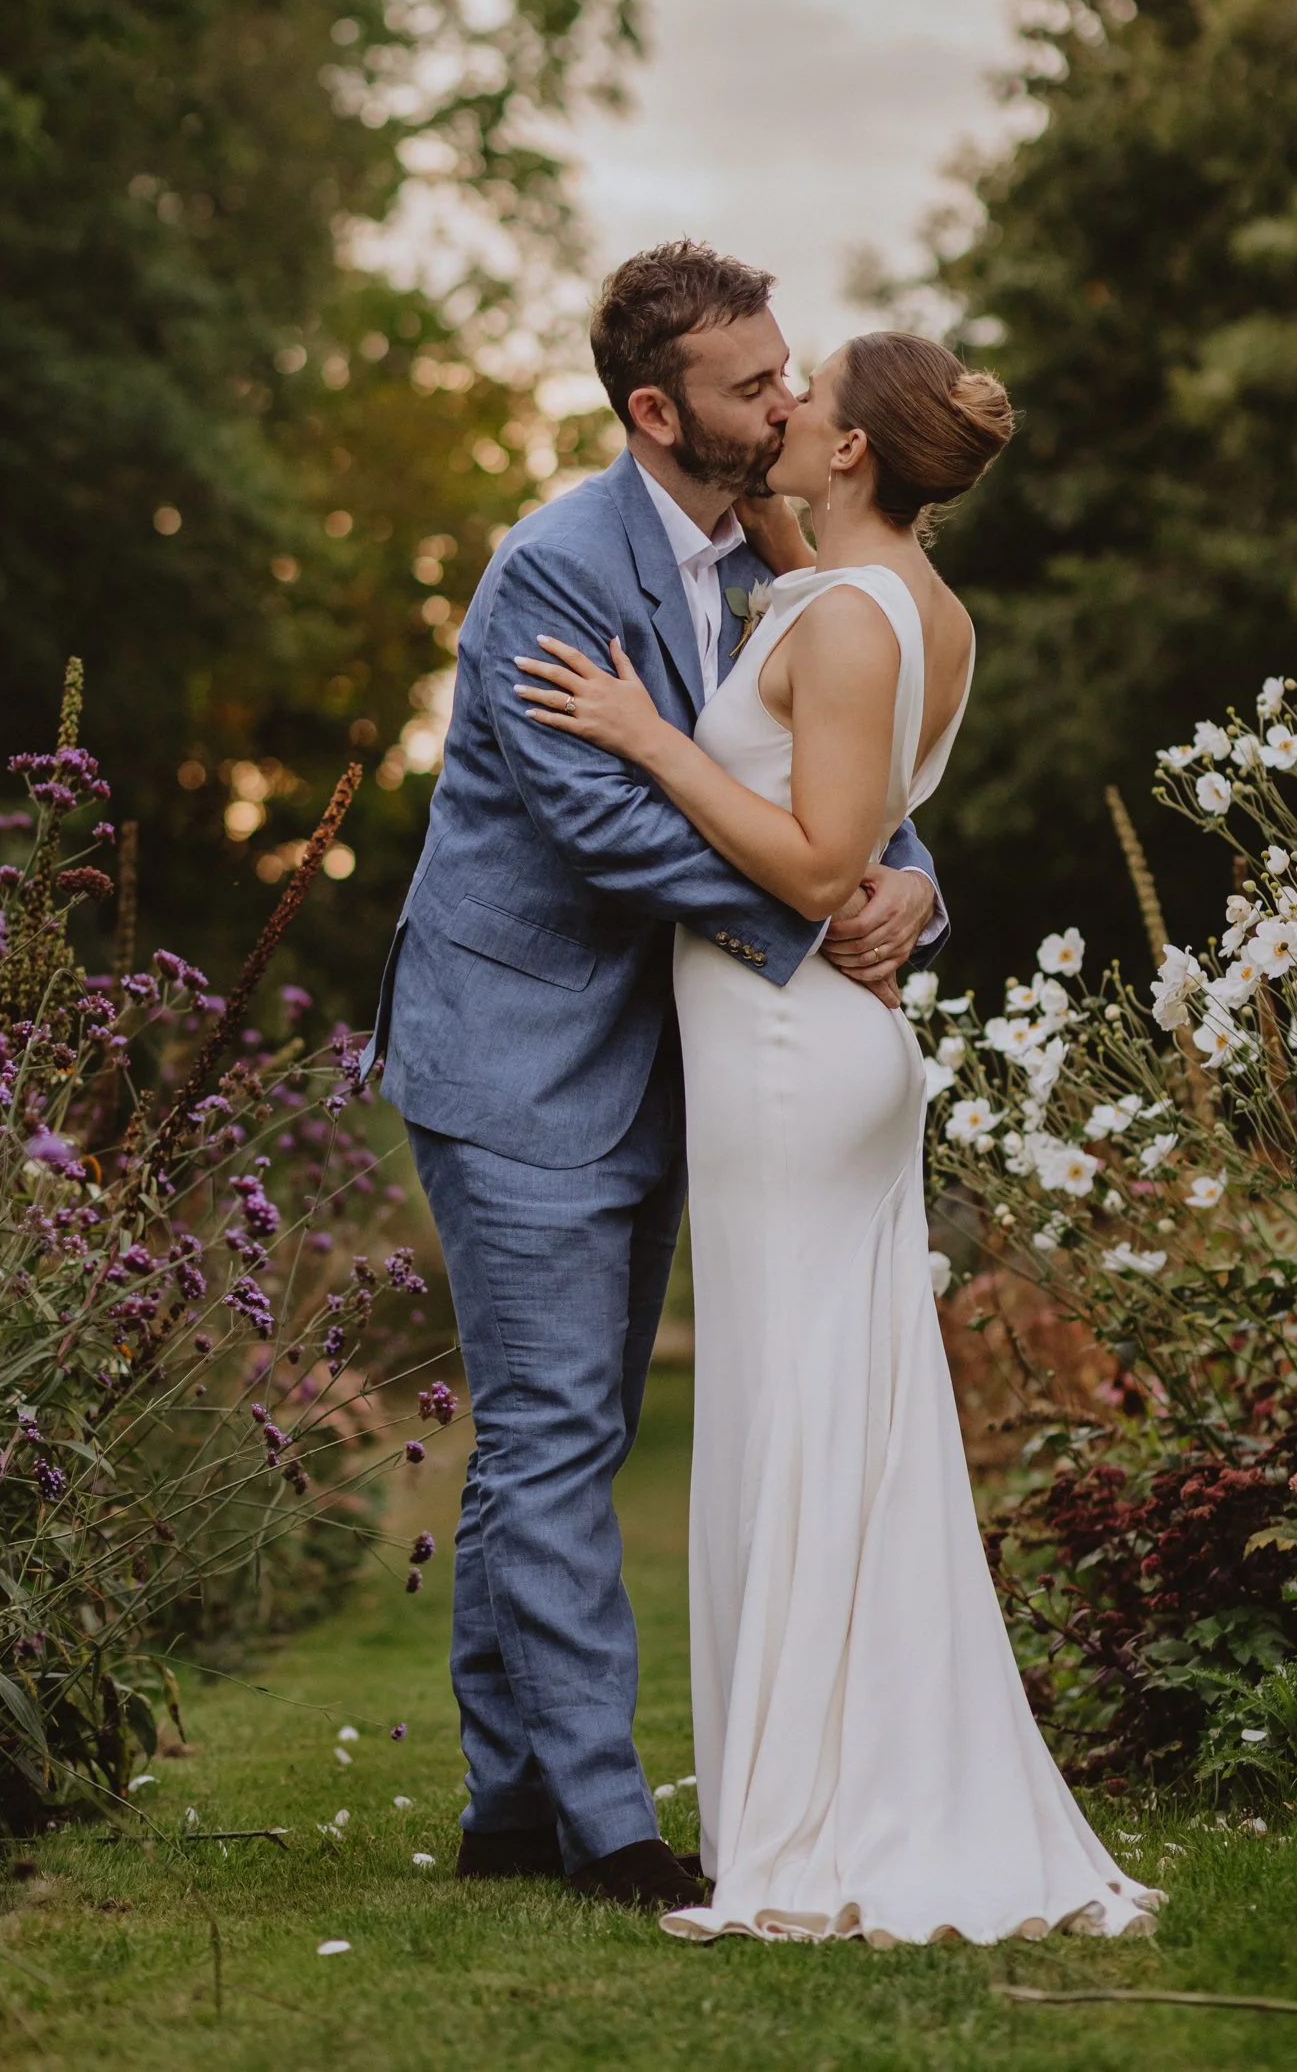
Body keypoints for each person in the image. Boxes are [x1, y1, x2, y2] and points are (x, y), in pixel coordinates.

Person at [516, 328, 1159, 1947]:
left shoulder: (860, 621)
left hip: (795, 1055)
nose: (784, 413)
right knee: (821, 1421)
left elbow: (815, 868)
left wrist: (649, 735)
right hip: (802, 1062)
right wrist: (916, 878)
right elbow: (830, 666)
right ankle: (809, 1780)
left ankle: (813, 1813)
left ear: (859, 452)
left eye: (808, 402)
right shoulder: (897, 597)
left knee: (799, 1428)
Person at [364, 240, 946, 1910]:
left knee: (565, 1429)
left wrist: (908, 884)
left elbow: (846, 779)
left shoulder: (782, 551)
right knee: (555, 1431)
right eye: (754, 384)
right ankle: (609, 1829)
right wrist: (817, 904)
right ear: (654, 411)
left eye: (787, 370)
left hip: (665, 1061)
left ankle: (502, 1810)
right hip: (517, 1051)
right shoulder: (551, 569)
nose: (787, 400)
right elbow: (603, 824)